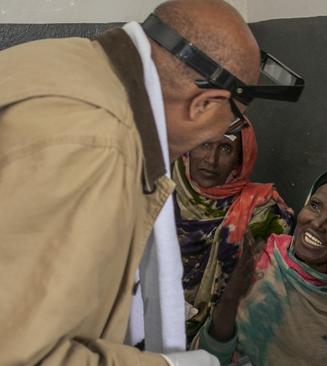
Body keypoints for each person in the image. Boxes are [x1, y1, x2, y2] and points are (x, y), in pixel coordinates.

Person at [0, 0, 302, 364]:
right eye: (234, 121)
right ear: (203, 105)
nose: (221, 140)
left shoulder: (63, 62)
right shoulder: (99, 149)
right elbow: (26, 356)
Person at [196, 164, 327, 365]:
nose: (317, 223)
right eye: (315, 206)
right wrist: (230, 298)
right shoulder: (266, 262)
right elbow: (208, 357)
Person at [172, 119, 293, 345]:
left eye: (226, 148)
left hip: (210, 343)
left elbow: (255, 297)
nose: (211, 159)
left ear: (240, 160)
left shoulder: (261, 212)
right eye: (204, 144)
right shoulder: (156, 189)